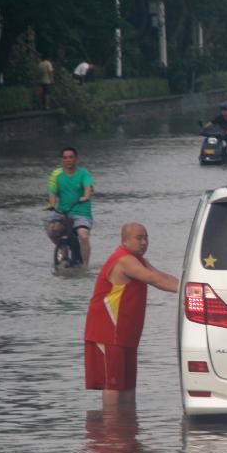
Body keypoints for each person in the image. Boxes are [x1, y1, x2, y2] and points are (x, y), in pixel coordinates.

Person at [84, 222, 179, 405]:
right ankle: (111, 422)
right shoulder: (124, 260)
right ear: (125, 240)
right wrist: (189, 290)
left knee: (128, 386)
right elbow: (153, 279)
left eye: (146, 238)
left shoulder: (140, 261)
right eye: (139, 238)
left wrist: (190, 286)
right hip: (108, 333)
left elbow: (163, 276)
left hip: (126, 335)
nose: (144, 242)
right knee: (112, 385)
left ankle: (128, 422)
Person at [46, 147, 93, 267]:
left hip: (81, 212)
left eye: (71, 157)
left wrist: (85, 196)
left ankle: (85, 267)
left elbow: (88, 187)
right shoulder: (56, 174)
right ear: (62, 159)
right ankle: (64, 251)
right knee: (52, 230)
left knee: (83, 236)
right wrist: (52, 204)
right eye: (65, 157)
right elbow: (52, 191)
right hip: (63, 212)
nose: (68, 160)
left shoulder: (83, 173)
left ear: (76, 158)